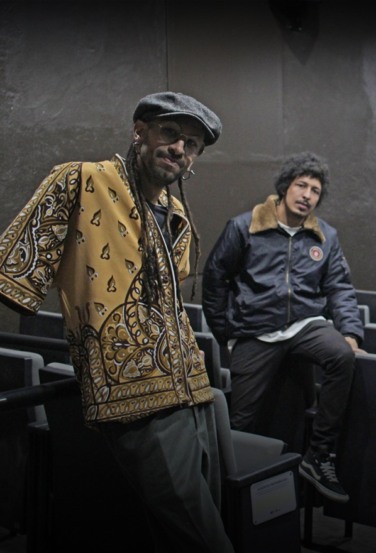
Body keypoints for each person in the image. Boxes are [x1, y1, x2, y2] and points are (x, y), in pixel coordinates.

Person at [0, 92, 234, 551]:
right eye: (170, 133)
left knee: (186, 528)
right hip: (133, 395)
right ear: (139, 131)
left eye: (191, 144)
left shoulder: (176, 214)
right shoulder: (80, 181)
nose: (179, 149)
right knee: (204, 539)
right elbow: (16, 270)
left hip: (193, 386)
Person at [201, 151, 364, 504]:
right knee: (241, 421)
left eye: (315, 190)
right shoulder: (244, 227)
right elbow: (214, 278)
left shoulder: (325, 236)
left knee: (342, 356)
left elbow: (339, 287)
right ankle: (226, 501)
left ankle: (319, 455)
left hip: (305, 324)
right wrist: (226, 332)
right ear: (285, 186)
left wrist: (350, 333)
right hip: (255, 329)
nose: (307, 195)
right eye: (301, 185)